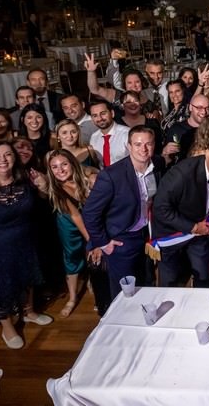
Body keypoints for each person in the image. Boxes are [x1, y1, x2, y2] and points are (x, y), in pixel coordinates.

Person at [0, 141, 52, 350]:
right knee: (1, 287)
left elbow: (43, 198)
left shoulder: (26, 179)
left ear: (14, 158)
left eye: (7, 155)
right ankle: (7, 327)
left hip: (26, 241)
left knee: (28, 277)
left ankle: (29, 312)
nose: (3, 160)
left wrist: (43, 186)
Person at [83, 127, 166, 303]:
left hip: (146, 236)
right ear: (129, 146)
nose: (143, 149)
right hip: (121, 239)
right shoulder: (111, 176)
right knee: (124, 293)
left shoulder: (158, 164)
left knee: (147, 284)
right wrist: (103, 242)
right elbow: (90, 212)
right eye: (138, 144)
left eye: (148, 144)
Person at [151, 136, 209, 287]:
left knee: (203, 279)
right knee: (170, 282)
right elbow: (160, 208)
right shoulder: (181, 174)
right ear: (207, 153)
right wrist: (193, 227)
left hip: (200, 235)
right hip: (172, 233)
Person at [44, 149, 98, 318]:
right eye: (54, 167)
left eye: (64, 164)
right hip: (69, 224)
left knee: (94, 255)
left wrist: (92, 174)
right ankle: (73, 298)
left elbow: (92, 171)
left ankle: (95, 285)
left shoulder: (86, 178)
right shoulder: (58, 189)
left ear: (72, 164)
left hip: (90, 219)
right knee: (72, 256)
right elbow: (76, 216)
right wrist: (91, 240)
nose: (60, 170)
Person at [88, 100, 130, 167]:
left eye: (103, 113)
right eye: (95, 116)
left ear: (112, 113)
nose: (100, 118)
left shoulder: (127, 133)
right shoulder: (93, 137)